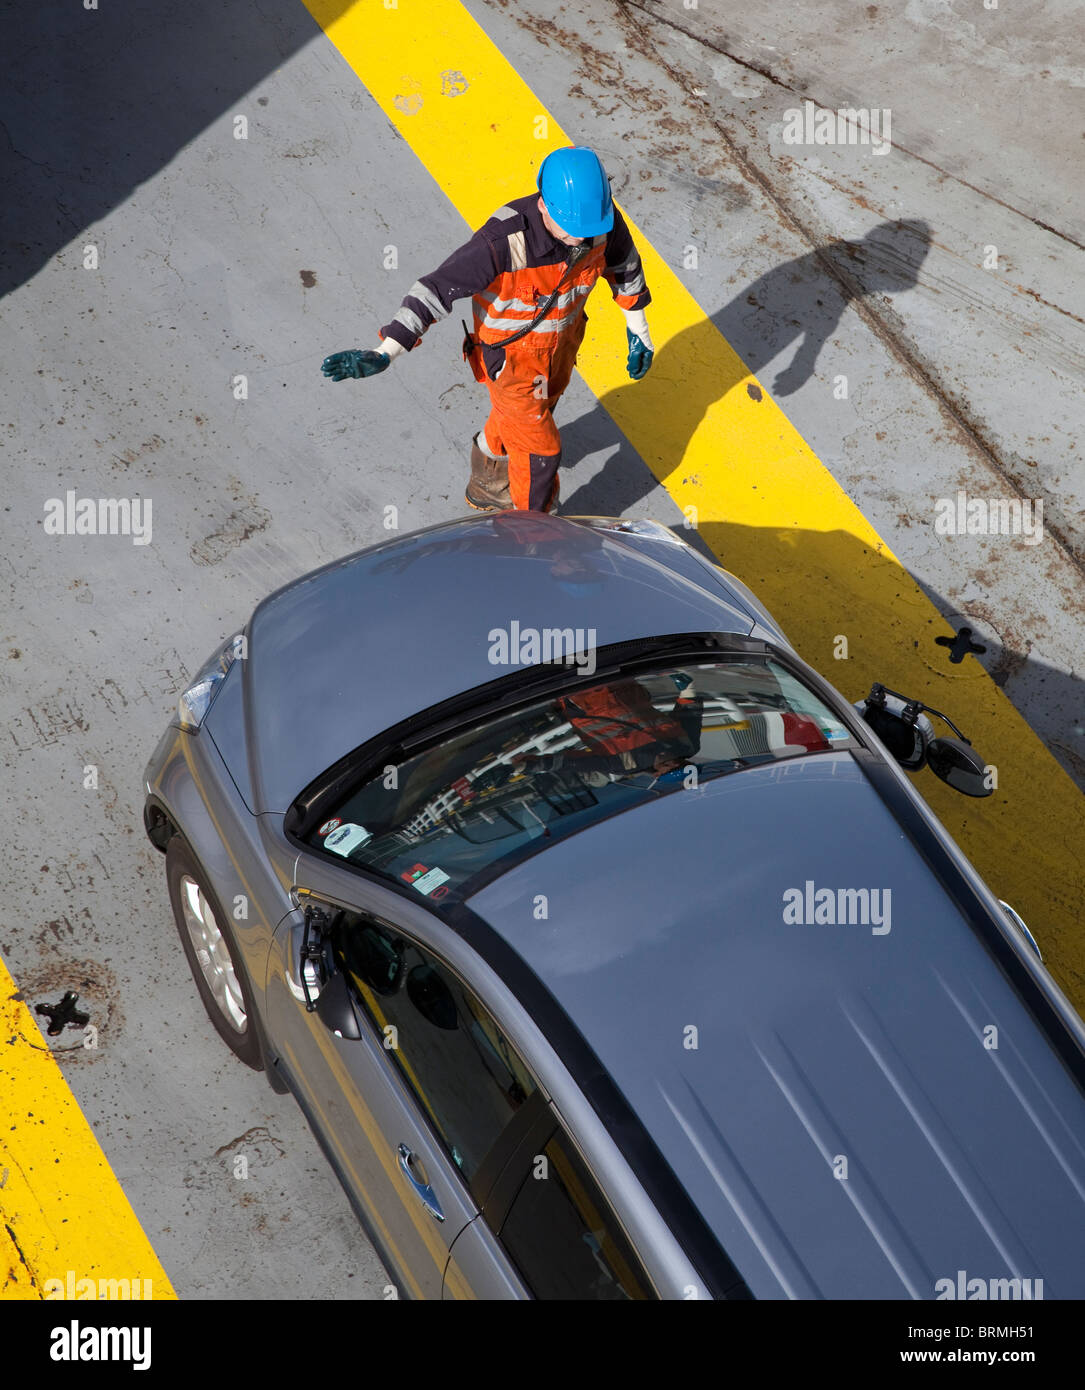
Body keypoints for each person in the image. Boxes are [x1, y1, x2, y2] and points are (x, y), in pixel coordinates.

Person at [321, 146, 654, 513]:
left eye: (588, 230)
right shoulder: (502, 243)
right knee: (541, 451)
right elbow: (434, 290)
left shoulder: (597, 220)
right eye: (571, 230)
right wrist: (387, 351)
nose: (582, 239)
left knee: (530, 414)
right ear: (543, 204)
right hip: (511, 362)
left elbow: (625, 266)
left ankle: (489, 481)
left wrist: (638, 328)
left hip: (562, 348)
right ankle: (533, 532)